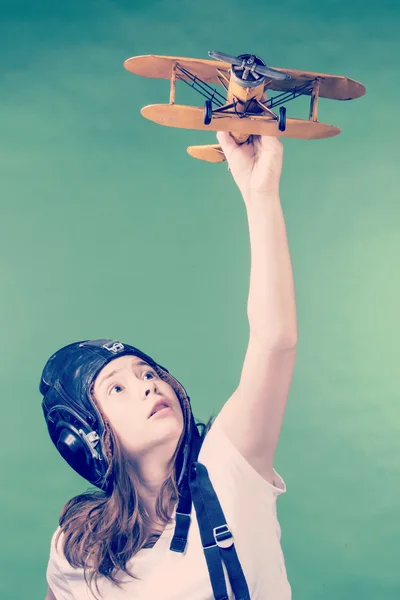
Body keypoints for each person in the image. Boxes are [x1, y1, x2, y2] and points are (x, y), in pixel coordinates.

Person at [42, 131, 298, 600]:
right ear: (87, 437)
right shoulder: (78, 548)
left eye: (148, 373)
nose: (145, 385)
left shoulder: (231, 466)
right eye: (116, 389)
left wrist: (259, 193)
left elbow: (275, 341)